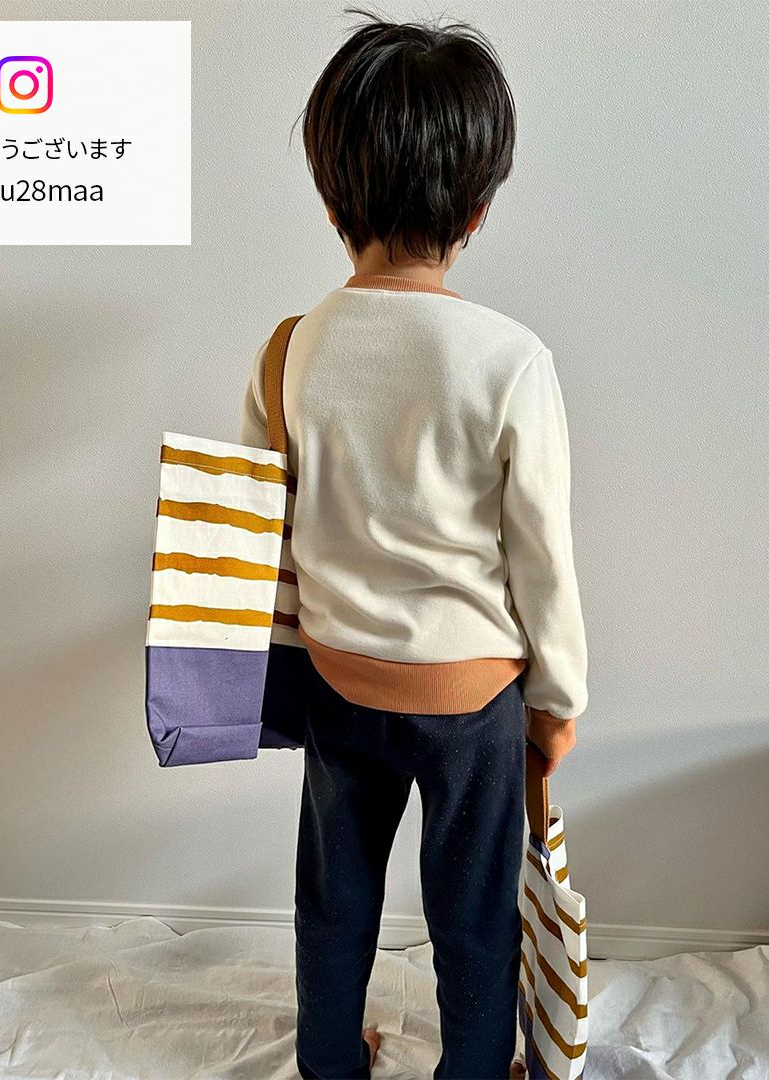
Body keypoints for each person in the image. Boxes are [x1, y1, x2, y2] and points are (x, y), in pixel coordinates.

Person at [240, 15, 588, 1079]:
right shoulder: (510, 360)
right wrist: (558, 699)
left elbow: (263, 525)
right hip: (472, 698)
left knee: (334, 892)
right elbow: (542, 555)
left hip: (340, 677)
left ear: (331, 198)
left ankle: (328, 1059)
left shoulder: (291, 351)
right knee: (473, 910)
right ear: (478, 210)